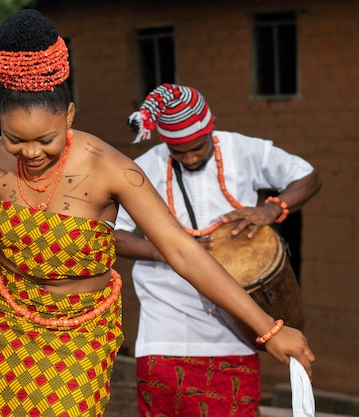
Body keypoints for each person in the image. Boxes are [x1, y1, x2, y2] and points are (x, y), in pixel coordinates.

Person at [0, 11, 315, 417]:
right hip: (4, 328)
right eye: (14, 139)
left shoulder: (114, 170)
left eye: (45, 139)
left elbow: (181, 250)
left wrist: (269, 330)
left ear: (69, 115)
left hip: (82, 337)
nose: (29, 154)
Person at [115, 83, 322, 417]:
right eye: (179, 152)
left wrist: (270, 210)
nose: (191, 157)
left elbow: (308, 177)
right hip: (165, 330)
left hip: (235, 329)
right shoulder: (142, 169)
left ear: (210, 129)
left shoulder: (242, 149)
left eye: (198, 147)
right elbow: (113, 234)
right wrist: (166, 250)